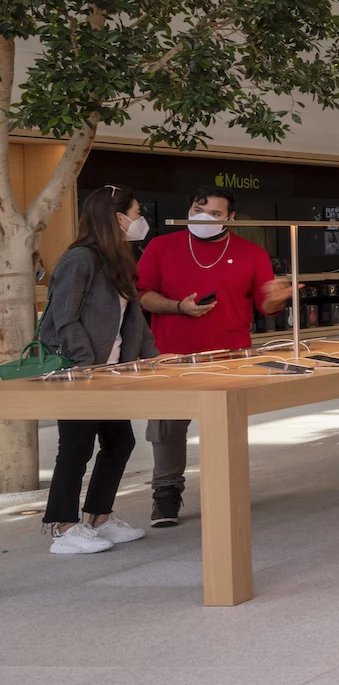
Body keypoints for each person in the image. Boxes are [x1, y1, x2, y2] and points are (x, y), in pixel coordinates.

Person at [134, 188, 292, 526]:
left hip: (230, 356)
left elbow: (264, 306)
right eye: (196, 210)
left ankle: (225, 491)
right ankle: (166, 494)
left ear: (230, 219)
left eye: (215, 215)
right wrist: (178, 307)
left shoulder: (251, 253)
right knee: (165, 429)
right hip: (170, 354)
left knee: (224, 428)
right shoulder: (162, 247)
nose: (203, 219)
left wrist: (278, 298)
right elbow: (142, 294)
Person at [38, 186, 157, 554]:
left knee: (120, 442)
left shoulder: (116, 259)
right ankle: (63, 526)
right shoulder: (80, 259)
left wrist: (150, 356)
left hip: (109, 373)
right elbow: (63, 316)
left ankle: (97, 517)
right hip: (81, 373)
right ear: (118, 217)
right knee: (75, 447)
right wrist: (84, 363)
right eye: (137, 213)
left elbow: (131, 319)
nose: (140, 221)